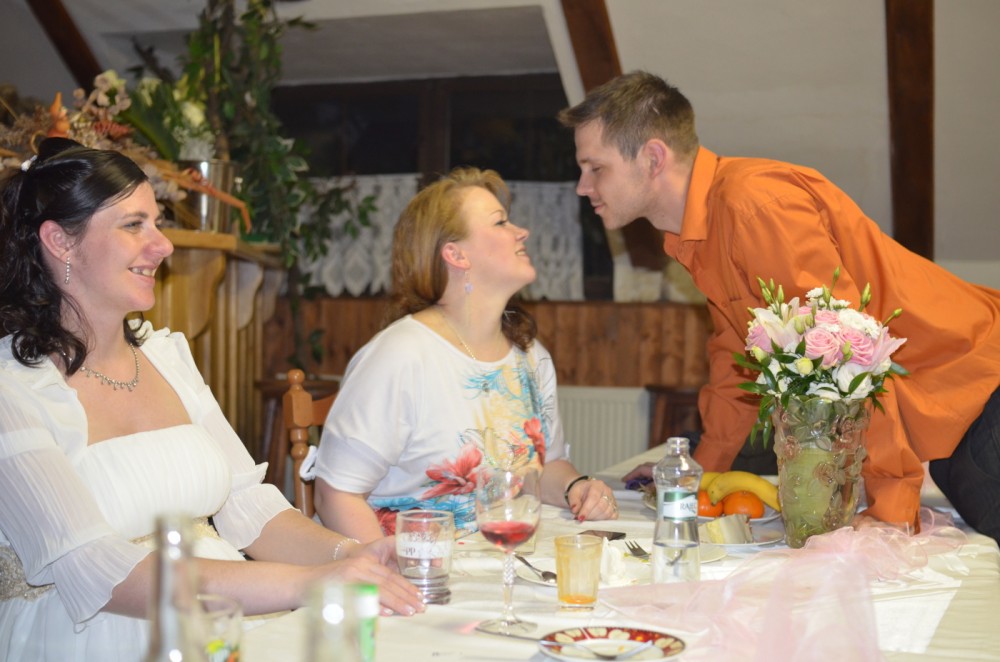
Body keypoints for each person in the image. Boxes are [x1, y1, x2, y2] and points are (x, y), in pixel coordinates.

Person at [0, 138, 424, 661]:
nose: (163, 245)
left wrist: (354, 554)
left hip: (219, 624)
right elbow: (99, 574)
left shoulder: (167, 358)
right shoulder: (12, 390)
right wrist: (310, 583)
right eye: (134, 225)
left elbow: (249, 508)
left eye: (157, 223)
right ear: (60, 241)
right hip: (92, 640)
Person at [557, 71, 1000, 539]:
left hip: (981, 384)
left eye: (595, 168)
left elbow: (847, 354)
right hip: (959, 412)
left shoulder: (753, 207)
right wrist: (701, 473)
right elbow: (737, 359)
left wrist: (890, 508)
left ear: (653, 158)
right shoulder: (703, 229)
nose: (582, 186)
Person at [311, 167, 618, 542]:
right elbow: (335, 495)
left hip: (490, 558)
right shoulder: (401, 356)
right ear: (456, 255)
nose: (522, 231)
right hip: (406, 566)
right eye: (500, 222)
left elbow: (546, 466)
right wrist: (388, 565)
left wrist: (576, 486)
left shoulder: (530, 357)